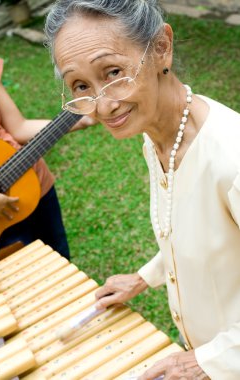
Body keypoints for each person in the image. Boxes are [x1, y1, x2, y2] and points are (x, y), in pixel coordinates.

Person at [44, 0, 240, 379]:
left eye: (113, 71)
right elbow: (199, 233)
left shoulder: (232, 159)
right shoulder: (157, 135)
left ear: (162, 47)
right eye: (81, 86)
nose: (103, 105)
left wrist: (209, 361)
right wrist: (146, 276)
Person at [0, 52, 94, 259]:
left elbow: (18, 127)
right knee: (22, 280)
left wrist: (79, 120)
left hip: (33, 181)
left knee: (60, 258)